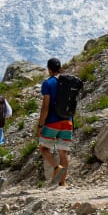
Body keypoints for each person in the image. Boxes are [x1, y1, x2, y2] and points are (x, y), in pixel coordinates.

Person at [37, 57, 72, 187]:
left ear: (49, 69)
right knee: (63, 151)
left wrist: (40, 125)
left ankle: (57, 167)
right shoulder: (68, 82)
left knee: (43, 148)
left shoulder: (48, 83)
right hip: (67, 121)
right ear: (60, 68)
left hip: (52, 121)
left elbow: (45, 107)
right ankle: (62, 182)